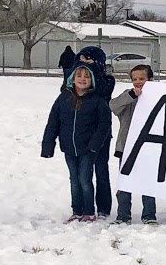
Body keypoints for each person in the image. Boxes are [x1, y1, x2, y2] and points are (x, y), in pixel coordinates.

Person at [41, 64, 112, 222]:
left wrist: (95, 144)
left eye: (86, 77)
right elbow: (53, 122)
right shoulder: (63, 99)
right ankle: (77, 211)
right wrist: (48, 145)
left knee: (85, 179)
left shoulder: (97, 100)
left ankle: (89, 212)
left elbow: (104, 124)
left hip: (87, 149)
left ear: (92, 81)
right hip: (68, 147)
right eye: (79, 76)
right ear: (72, 79)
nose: (82, 79)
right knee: (74, 179)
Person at [69, 46, 115, 217]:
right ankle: (81, 207)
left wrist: (94, 67)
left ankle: (104, 207)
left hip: (101, 133)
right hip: (81, 135)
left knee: (101, 171)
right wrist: (77, 65)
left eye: (90, 61)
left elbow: (101, 91)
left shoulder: (107, 80)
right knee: (81, 175)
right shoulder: (74, 79)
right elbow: (67, 88)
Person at [110, 64, 158, 225]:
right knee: (124, 185)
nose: (138, 82)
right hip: (126, 148)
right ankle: (123, 215)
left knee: (148, 183)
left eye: (142, 79)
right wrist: (131, 95)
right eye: (135, 79)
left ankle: (149, 214)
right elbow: (113, 106)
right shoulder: (127, 96)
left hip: (148, 148)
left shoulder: (158, 96)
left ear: (150, 79)